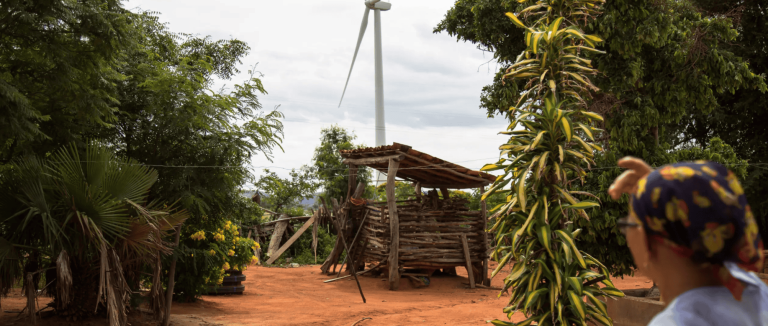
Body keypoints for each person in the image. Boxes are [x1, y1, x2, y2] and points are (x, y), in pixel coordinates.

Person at [608, 157, 768, 325]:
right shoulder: (753, 291)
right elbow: (703, 215)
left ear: (648, 241)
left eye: (627, 224)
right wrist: (662, 191)